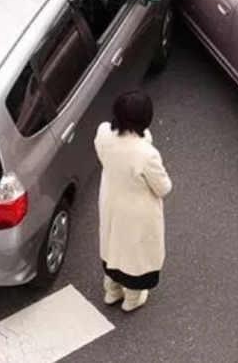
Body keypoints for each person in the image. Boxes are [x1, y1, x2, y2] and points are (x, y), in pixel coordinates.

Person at [94, 90, 173, 312]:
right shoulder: (147, 154)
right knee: (135, 255)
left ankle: (111, 290)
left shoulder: (103, 134)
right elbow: (163, 187)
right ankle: (132, 298)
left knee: (112, 246)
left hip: (111, 200)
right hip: (137, 213)